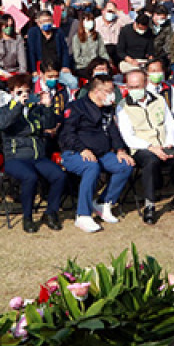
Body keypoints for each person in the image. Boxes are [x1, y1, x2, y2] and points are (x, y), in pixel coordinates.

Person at [117, 70, 174, 224]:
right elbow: (128, 136)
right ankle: (150, 205)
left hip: (164, 143)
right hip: (142, 148)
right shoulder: (123, 107)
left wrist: (169, 143)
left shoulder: (159, 100)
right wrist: (151, 147)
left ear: (146, 83)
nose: (134, 90)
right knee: (151, 161)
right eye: (131, 87)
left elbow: (170, 124)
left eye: (138, 86)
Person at [59, 76, 135, 233]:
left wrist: (120, 150)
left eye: (113, 90)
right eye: (108, 91)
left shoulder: (107, 108)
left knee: (125, 165)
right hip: (75, 153)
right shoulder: (76, 107)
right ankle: (83, 215)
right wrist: (82, 149)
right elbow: (67, 134)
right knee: (91, 167)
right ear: (96, 91)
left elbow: (113, 131)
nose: (112, 94)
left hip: (102, 153)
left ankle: (103, 202)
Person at [0, 75, 64, 233]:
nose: (24, 94)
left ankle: (50, 212)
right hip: (15, 158)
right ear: (11, 92)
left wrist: (47, 107)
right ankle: (27, 217)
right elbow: (3, 124)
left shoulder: (35, 110)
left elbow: (50, 124)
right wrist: (18, 105)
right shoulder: (4, 110)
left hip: (38, 156)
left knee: (59, 175)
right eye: (19, 92)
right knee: (29, 177)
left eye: (27, 91)